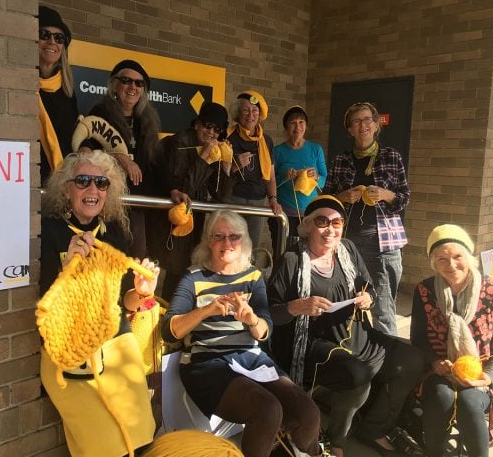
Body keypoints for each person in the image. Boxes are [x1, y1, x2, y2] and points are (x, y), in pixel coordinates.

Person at [267, 195, 424, 457]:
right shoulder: (292, 260)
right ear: (307, 226)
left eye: (337, 222)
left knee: (411, 359)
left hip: (356, 333)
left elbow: (368, 285)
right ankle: (336, 438)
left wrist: (368, 298)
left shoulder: (348, 249)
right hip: (314, 343)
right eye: (322, 221)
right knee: (357, 375)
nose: (330, 229)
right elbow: (271, 313)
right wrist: (297, 306)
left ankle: (374, 427)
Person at [161, 210, 323, 457]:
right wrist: (205, 310)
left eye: (234, 237)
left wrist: (252, 319)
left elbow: (264, 331)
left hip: (251, 359)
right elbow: (169, 331)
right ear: (208, 241)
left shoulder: (253, 277)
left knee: (308, 413)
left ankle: (310, 453)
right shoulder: (193, 278)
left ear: (244, 240)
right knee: (267, 410)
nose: (227, 243)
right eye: (219, 236)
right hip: (206, 362)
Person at [39, 151, 159, 457]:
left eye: (101, 183)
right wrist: (67, 267)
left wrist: (142, 293)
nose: (93, 190)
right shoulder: (47, 231)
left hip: (115, 343)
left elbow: (123, 303)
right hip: (69, 348)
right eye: (83, 181)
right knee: (103, 446)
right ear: (66, 189)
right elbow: (45, 305)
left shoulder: (115, 232)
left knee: (142, 434)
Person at [410, 224, 493, 457]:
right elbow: (418, 339)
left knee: (469, 401)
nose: (451, 265)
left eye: (458, 256)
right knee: (440, 396)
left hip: (485, 370)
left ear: (469, 256)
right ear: (433, 263)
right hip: (440, 369)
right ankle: (435, 452)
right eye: (442, 259)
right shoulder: (424, 290)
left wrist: (487, 377)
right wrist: (436, 361)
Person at [324, 102, 409, 336]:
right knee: (349, 302)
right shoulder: (341, 160)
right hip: (347, 241)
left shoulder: (391, 156)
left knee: (383, 308)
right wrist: (342, 197)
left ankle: (389, 364)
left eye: (367, 120)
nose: (363, 125)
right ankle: (354, 350)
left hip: (383, 244)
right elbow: (326, 200)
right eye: (356, 121)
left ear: (376, 125)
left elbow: (404, 198)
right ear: (350, 129)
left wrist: (385, 194)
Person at [72, 59, 163, 258]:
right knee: (108, 256)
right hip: (107, 202)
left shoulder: (147, 120)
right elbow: (87, 150)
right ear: (115, 84)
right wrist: (120, 157)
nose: (133, 87)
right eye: (126, 81)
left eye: (139, 83)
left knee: (136, 259)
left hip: (137, 203)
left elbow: (154, 164)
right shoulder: (100, 113)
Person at [149, 101, 233, 300]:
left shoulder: (212, 151)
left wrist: (226, 165)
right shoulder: (179, 143)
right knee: (174, 272)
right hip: (172, 220)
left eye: (217, 129)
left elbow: (222, 195)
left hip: (195, 221)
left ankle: (179, 317)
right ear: (197, 124)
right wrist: (203, 159)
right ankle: (165, 318)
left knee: (189, 271)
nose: (211, 133)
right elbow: (184, 190)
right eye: (207, 126)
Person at [224, 91, 282, 247]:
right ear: (237, 113)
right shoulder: (227, 137)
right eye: (245, 110)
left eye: (255, 110)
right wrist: (235, 166)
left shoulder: (266, 140)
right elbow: (219, 176)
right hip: (233, 199)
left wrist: (273, 199)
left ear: (260, 113)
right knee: (231, 246)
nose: (251, 115)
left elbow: (271, 175)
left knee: (252, 248)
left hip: (258, 201)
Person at [268, 105, 327, 256]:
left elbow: (325, 179)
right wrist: (285, 177)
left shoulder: (315, 149)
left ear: (306, 126)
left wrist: (316, 177)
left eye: (301, 122)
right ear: (286, 127)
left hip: (309, 214)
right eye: (293, 122)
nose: (297, 126)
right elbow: (270, 180)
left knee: (308, 254)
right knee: (282, 253)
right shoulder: (278, 151)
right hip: (284, 213)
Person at [37, 6, 78, 183]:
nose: (52, 42)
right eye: (44, 34)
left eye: (59, 38)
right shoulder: (18, 85)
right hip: (30, 180)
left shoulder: (67, 91)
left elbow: (74, 134)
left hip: (61, 183)